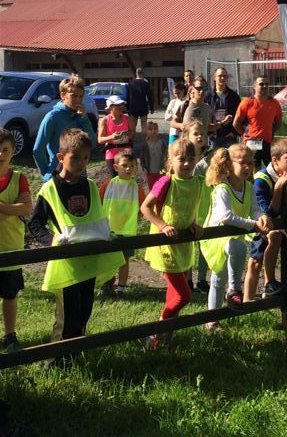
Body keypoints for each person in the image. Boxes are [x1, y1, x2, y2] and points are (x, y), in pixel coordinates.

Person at [28, 129, 124, 360]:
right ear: (61, 157)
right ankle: (55, 360)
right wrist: (52, 241)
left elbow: (97, 219)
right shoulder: (50, 189)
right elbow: (34, 224)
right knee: (67, 317)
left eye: (86, 158)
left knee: (84, 311)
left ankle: (75, 355)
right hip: (67, 266)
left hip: (88, 263)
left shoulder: (90, 186)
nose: (82, 163)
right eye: (76, 157)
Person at [200, 144, 272, 331]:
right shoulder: (222, 189)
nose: (247, 167)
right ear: (229, 165)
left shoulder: (249, 187)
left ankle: (212, 322)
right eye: (242, 163)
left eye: (250, 163)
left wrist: (262, 217)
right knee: (235, 253)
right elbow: (226, 217)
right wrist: (253, 224)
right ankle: (234, 290)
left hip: (233, 237)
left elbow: (255, 209)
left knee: (219, 278)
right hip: (216, 238)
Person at [141, 138, 204, 351]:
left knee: (173, 295)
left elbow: (190, 208)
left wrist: (194, 224)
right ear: (170, 161)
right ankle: (156, 331)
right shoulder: (165, 182)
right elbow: (145, 207)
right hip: (165, 246)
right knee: (184, 296)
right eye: (181, 159)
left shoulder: (197, 183)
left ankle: (165, 339)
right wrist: (163, 225)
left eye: (191, 159)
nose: (187, 163)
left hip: (183, 245)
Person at [244, 138, 287, 302]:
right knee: (255, 262)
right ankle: (248, 299)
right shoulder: (261, 180)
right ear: (275, 160)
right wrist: (278, 188)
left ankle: (271, 286)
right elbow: (268, 213)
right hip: (256, 223)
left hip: (275, 225)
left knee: (277, 238)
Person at [0, 129, 33, 352]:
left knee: (10, 295)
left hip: (11, 248)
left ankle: (10, 334)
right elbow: (19, 208)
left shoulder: (20, 179)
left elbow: (27, 208)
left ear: (13, 152)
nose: (1, 154)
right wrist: (12, 208)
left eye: (5, 150)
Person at [99, 150, 146, 297]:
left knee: (124, 261)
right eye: (124, 165)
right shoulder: (108, 185)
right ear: (116, 167)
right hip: (109, 231)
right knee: (108, 260)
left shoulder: (137, 188)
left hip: (127, 231)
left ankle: (121, 288)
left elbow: (142, 208)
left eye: (132, 166)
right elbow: (99, 204)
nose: (128, 169)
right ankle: (107, 284)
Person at [33, 74, 97, 182]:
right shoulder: (53, 117)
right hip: (58, 173)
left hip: (80, 174)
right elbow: (38, 149)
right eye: (74, 96)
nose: (78, 100)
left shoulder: (81, 116)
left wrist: (85, 119)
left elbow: (92, 144)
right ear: (63, 95)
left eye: (80, 96)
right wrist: (46, 173)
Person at [181, 120, 212, 294]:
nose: (200, 136)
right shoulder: (182, 156)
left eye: (203, 133)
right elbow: (187, 175)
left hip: (205, 205)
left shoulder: (210, 155)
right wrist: (203, 164)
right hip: (188, 205)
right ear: (186, 136)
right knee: (188, 244)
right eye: (196, 133)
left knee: (204, 243)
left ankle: (201, 279)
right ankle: (187, 279)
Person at [233, 76, 282, 168]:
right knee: (252, 169)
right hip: (252, 142)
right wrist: (245, 134)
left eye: (266, 84)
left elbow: (278, 123)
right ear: (254, 86)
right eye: (261, 84)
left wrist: (269, 132)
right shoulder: (247, 102)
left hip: (268, 142)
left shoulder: (274, 103)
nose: (264, 86)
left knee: (271, 169)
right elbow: (236, 123)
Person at [171, 76, 219, 141]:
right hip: (186, 144)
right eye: (198, 88)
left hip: (202, 145)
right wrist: (180, 125)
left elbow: (208, 127)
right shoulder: (184, 105)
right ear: (193, 89)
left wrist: (222, 123)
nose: (201, 91)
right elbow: (172, 123)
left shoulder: (208, 108)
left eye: (204, 88)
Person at [97, 95, 134, 177]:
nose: (121, 107)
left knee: (128, 177)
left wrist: (128, 134)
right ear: (110, 107)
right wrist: (112, 137)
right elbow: (100, 140)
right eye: (117, 105)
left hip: (126, 152)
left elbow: (133, 135)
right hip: (112, 153)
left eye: (122, 104)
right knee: (115, 179)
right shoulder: (104, 120)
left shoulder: (128, 119)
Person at [206, 67, 241, 149]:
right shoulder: (208, 96)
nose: (222, 78)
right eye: (220, 76)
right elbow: (205, 116)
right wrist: (209, 133)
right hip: (213, 136)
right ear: (214, 77)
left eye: (225, 76)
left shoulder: (233, 96)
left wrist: (234, 133)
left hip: (229, 136)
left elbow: (240, 116)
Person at [140, 121, 167, 190]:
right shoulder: (145, 144)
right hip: (150, 171)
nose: (153, 131)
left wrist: (165, 167)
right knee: (152, 189)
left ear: (158, 130)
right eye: (150, 129)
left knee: (161, 189)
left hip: (160, 171)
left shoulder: (162, 143)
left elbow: (166, 156)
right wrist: (143, 167)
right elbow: (142, 157)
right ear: (147, 131)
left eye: (155, 129)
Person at [126, 68, 154, 134]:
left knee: (133, 125)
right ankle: (143, 139)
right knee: (144, 125)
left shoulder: (130, 83)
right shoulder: (146, 83)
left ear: (136, 74)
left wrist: (128, 108)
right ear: (142, 74)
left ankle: (133, 139)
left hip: (133, 107)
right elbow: (150, 97)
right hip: (143, 107)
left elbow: (127, 97)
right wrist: (151, 108)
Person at [164, 82, 186, 146]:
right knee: (172, 148)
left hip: (184, 130)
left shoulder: (186, 102)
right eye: (175, 93)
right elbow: (166, 116)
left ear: (183, 91)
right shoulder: (172, 102)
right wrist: (173, 115)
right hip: (174, 131)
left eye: (178, 93)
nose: (177, 95)